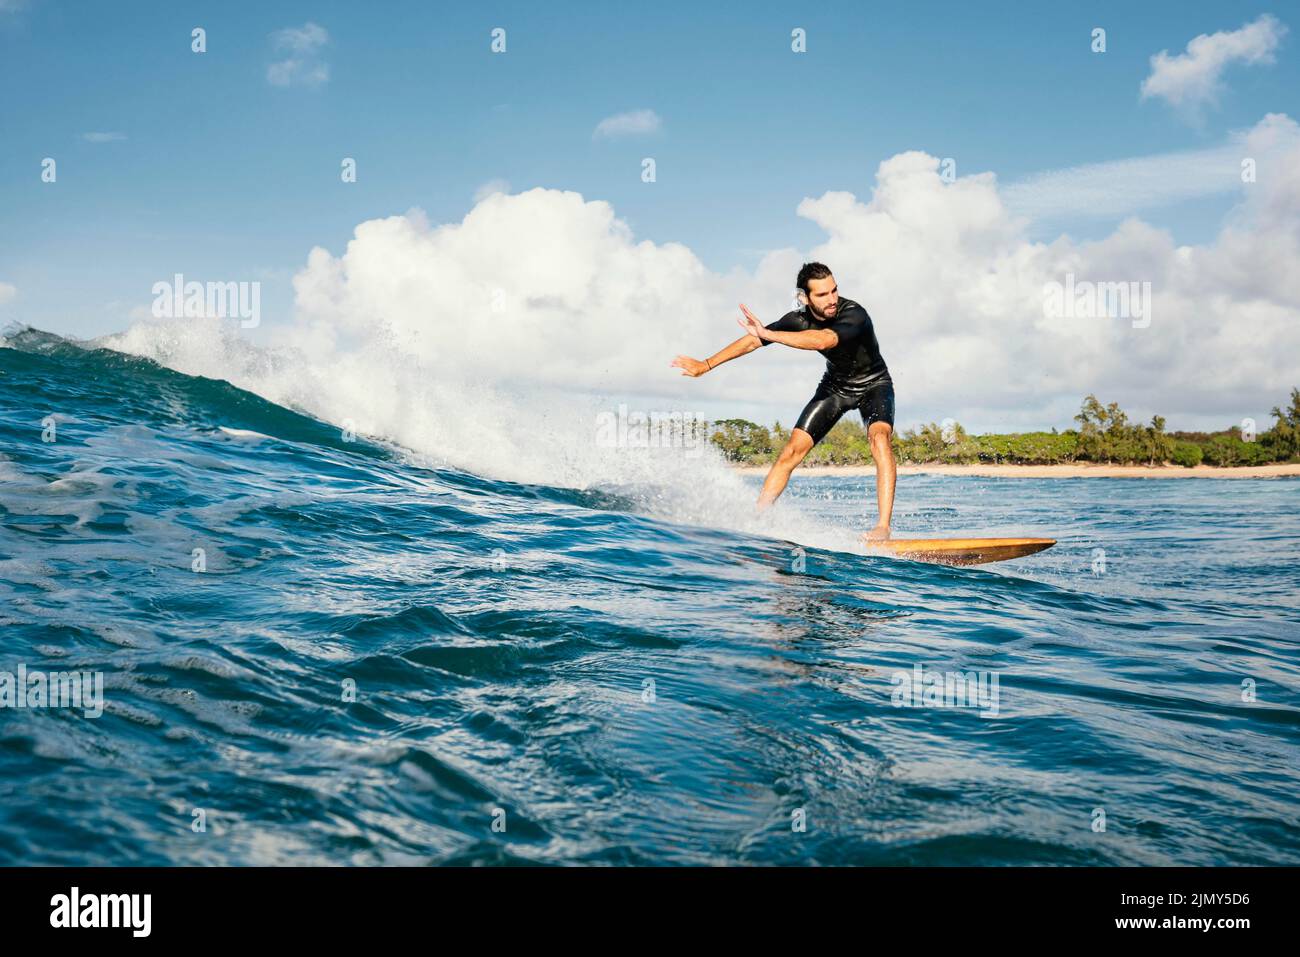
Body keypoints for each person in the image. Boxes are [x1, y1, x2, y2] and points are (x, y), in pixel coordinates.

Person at [670, 262, 896, 540]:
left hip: (874, 384)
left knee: (880, 439)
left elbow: (823, 340)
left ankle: (882, 527)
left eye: (834, 290)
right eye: (823, 294)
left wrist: (769, 334)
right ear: (804, 297)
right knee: (791, 451)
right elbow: (753, 341)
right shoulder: (797, 319)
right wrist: (706, 364)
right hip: (836, 387)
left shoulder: (854, 314)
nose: (832, 299)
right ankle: (757, 520)